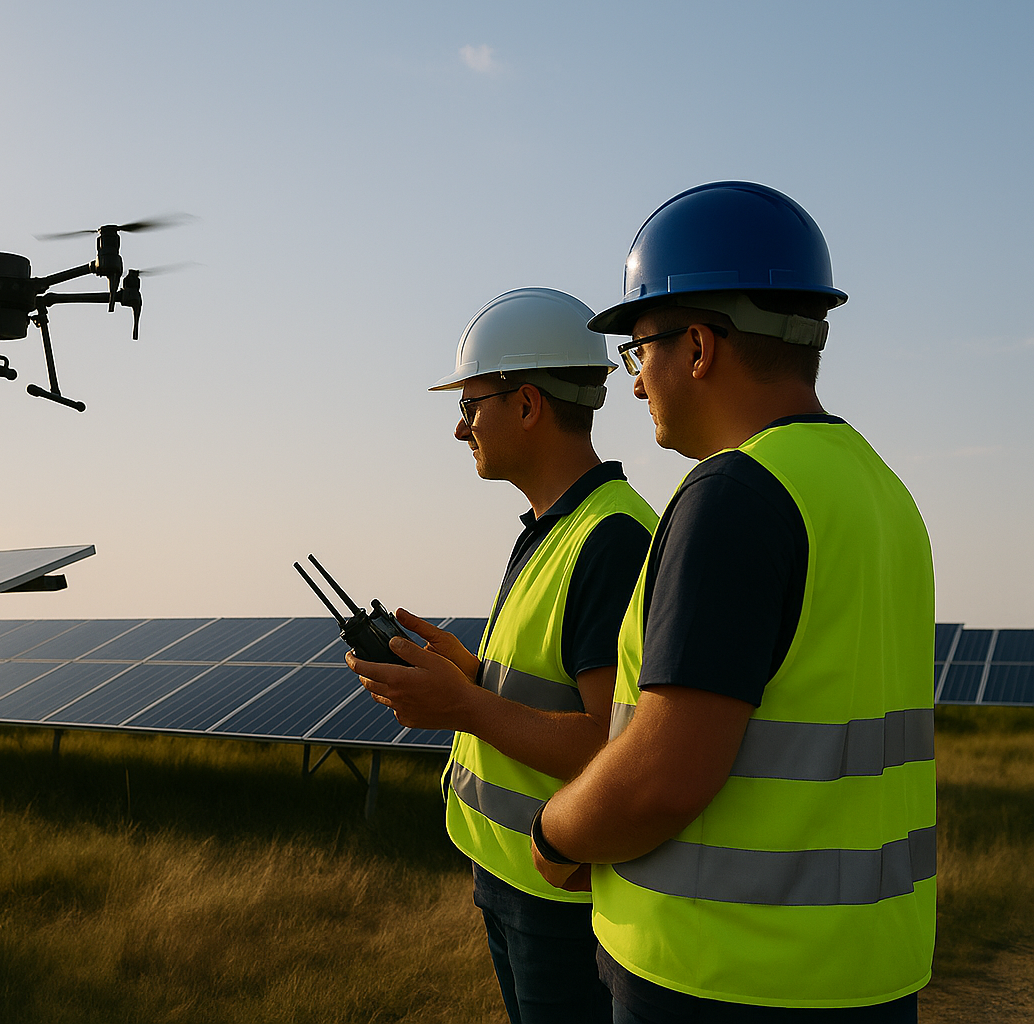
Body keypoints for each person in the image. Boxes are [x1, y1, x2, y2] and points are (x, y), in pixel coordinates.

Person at [529, 182, 936, 1022]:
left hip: (719, 974)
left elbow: (665, 777)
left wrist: (555, 832)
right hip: (866, 972)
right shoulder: (880, 492)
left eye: (638, 350)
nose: (635, 384)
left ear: (701, 347)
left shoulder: (735, 496)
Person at [351, 287, 656, 1024]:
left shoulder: (611, 541)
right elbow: (550, 693)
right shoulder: (555, 526)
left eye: (472, 405)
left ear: (527, 405)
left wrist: (463, 705)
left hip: (559, 898)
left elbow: (614, 748)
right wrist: (472, 675)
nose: (461, 429)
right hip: (511, 878)